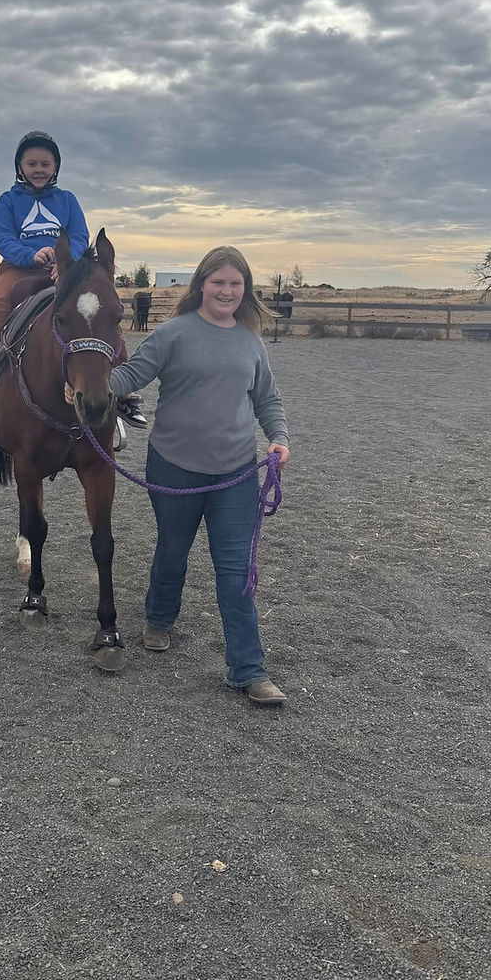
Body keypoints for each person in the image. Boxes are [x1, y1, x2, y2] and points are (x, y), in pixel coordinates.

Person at [106, 246, 291, 705]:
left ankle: (248, 670)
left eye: (235, 283)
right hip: (174, 466)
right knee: (173, 549)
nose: (227, 291)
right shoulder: (172, 334)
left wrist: (278, 437)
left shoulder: (251, 341)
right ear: (201, 286)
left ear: (244, 289)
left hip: (235, 474)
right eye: (218, 282)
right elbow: (131, 376)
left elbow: (267, 398)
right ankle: (159, 617)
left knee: (235, 571)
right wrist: (85, 384)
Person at [0, 131, 145, 427]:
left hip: (63, 272)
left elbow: (78, 235)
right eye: (32, 163)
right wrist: (29, 255)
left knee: (102, 313)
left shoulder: (67, 200)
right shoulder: (7, 201)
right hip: (18, 270)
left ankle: (124, 391)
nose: (39, 169)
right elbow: (2, 238)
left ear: (55, 168)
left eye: (45, 164)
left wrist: (66, 265)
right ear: (20, 167)